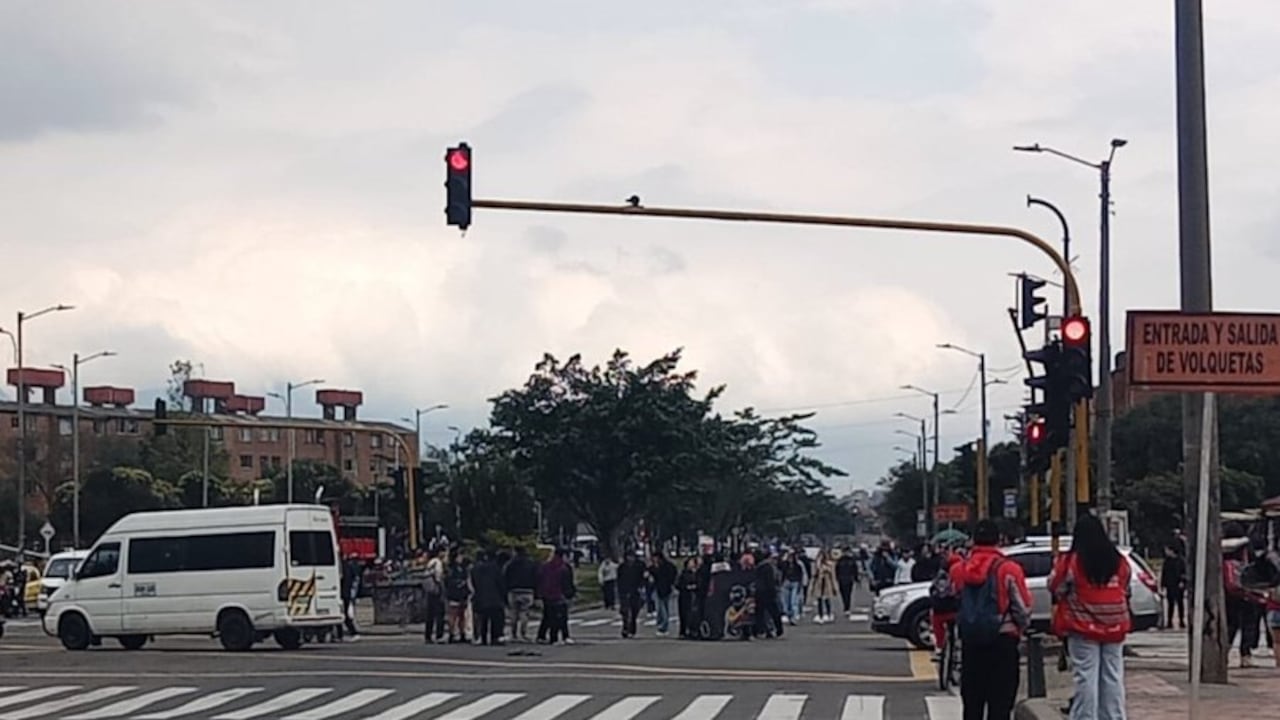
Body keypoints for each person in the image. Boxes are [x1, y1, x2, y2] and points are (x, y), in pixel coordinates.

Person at [1050, 514, 1132, 720]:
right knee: (1113, 676)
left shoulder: (1072, 562)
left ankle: (1085, 717)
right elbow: (1125, 586)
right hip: (1115, 626)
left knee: (1086, 676)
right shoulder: (1119, 560)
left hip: (1082, 627)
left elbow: (1056, 587)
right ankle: (1114, 716)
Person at [952, 519, 1031, 720]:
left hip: (971, 642)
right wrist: (1020, 629)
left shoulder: (959, 570)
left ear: (972, 541)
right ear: (1000, 540)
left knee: (972, 703)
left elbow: (953, 601)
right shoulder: (1009, 569)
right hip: (1002, 641)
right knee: (1000, 703)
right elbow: (1022, 608)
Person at [535, 548, 575, 645]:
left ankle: (542, 636)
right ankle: (561, 637)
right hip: (559, 595)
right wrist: (570, 595)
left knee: (548, 616)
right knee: (561, 617)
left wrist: (539, 594)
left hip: (547, 595)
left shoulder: (545, 566)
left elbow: (539, 580)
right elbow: (567, 583)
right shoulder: (564, 567)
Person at [469, 549, 506, 646]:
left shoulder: (476, 569)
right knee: (496, 619)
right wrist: (504, 596)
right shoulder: (496, 568)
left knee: (483, 619)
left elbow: (474, 582)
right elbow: (501, 584)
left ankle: (483, 637)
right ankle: (495, 638)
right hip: (495, 598)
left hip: (481, 597)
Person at [503, 546, 538, 643]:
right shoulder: (531, 563)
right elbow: (536, 577)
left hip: (513, 590)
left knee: (513, 613)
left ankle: (513, 634)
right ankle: (524, 634)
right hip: (528, 590)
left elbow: (505, 577)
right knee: (524, 613)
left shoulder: (510, 564)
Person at [617, 550, 647, 638]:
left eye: (632, 556)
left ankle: (632, 629)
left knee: (634, 611)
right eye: (628, 556)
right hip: (624, 591)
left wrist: (642, 586)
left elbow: (644, 577)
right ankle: (625, 629)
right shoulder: (622, 567)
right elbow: (619, 579)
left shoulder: (640, 565)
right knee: (625, 611)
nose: (630, 558)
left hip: (636, 590)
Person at [444, 551, 472, 644]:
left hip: (459, 594)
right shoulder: (453, 569)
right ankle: (453, 633)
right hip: (456, 594)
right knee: (454, 615)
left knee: (460, 615)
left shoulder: (459, 568)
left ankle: (461, 633)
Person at [754, 551, 783, 639]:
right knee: (774, 612)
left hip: (759, 592)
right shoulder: (768, 567)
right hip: (768, 592)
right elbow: (770, 581)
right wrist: (773, 591)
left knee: (760, 613)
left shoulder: (758, 567)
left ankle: (761, 630)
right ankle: (777, 629)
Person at [650, 550, 677, 636]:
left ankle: (663, 625)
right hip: (662, 588)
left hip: (663, 588)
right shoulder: (666, 566)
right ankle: (662, 626)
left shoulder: (663, 567)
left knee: (662, 608)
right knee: (663, 607)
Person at [1159, 545, 1186, 630]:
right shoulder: (1167, 561)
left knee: (1180, 603)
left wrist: (1182, 581)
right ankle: (1169, 621)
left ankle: (1181, 621)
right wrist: (1163, 585)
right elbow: (1164, 574)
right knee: (1170, 604)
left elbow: (1184, 572)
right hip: (1170, 585)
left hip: (1178, 584)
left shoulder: (1181, 561)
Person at [423, 549, 446, 644]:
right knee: (440, 614)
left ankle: (428, 635)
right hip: (436, 591)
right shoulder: (438, 563)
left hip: (429, 590)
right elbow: (438, 577)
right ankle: (439, 635)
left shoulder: (429, 563)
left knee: (430, 615)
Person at [809, 550, 838, 623]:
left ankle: (828, 613)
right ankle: (820, 615)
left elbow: (833, 576)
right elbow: (814, 575)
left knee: (826, 599)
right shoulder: (817, 565)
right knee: (819, 600)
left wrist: (834, 587)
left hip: (827, 583)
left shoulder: (830, 565)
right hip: (819, 584)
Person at [677, 557, 701, 639]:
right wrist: (686, 587)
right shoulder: (684, 574)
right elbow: (678, 584)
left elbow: (700, 583)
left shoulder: (697, 573)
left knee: (692, 614)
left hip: (693, 595)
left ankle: (692, 630)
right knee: (683, 614)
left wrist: (696, 586)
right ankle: (683, 631)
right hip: (684, 596)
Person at [835, 548, 860, 620]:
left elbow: (855, 570)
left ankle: (846, 607)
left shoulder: (848, 560)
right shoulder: (842, 560)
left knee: (847, 594)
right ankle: (846, 607)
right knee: (844, 594)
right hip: (844, 579)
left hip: (847, 579)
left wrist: (856, 578)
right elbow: (837, 570)